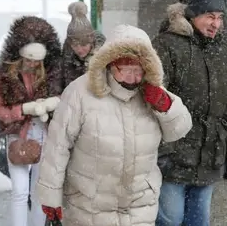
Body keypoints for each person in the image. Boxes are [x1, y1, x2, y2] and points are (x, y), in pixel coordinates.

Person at [35, 24, 193, 226]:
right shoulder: (79, 93)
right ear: (110, 64)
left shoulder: (151, 91)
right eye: (125, 70)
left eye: (138, 70)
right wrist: (51, 197)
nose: (132, 78)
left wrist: (165, 106)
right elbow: (57, 147)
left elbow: (180, 130)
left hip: (139, 208)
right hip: (90, 208)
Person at [152, 0, 227, 226]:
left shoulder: (220, 48)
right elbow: (155, 99)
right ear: (193, 16)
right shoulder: (167, 45)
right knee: (171, 219)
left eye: (220, 17)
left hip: (209, 152)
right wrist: (163, 149)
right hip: (174, 153)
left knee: (198, 221)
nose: (216, 24)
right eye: (210, 17)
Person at [0, 16, 63, 226]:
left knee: (39, 192)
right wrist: (21, 110)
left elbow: (63, 97)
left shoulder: (51, 75)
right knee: (20, 191)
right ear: (20, 56)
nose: (32, 64)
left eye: (37, 60)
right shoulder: (5, 77)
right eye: (28, 59)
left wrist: (52, 102)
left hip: (45, 135)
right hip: (18, 136)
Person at [61, 1, 105, 89]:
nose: (79, 50)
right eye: (75, 45)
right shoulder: (67, 58)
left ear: (91, 41)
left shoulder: (104, 55)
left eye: (84, 44)